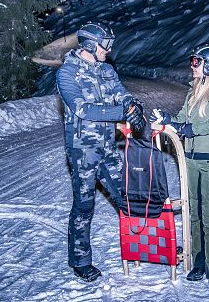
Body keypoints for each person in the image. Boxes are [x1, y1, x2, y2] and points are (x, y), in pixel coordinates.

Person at [56, 22, 145, 282]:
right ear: (89, 45)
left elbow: (120, 93)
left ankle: (145, 244)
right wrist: (122, 114)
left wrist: (132, 105)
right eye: (105, 44)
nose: (109, 49)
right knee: (84, 207)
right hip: (83, 151)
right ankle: (80, 261)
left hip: (108, 147)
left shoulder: (106, 69)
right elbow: (82, 109)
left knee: (128, 197)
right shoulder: (67, 73)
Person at [149, 42, 209, 294]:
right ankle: (199, 261)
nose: (193, 66)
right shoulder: (195, 89)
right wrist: (169, 120)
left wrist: (188, 129)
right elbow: (183, 119)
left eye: (196, 62)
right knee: (193, 213)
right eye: (193, 61)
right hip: (189, 157)